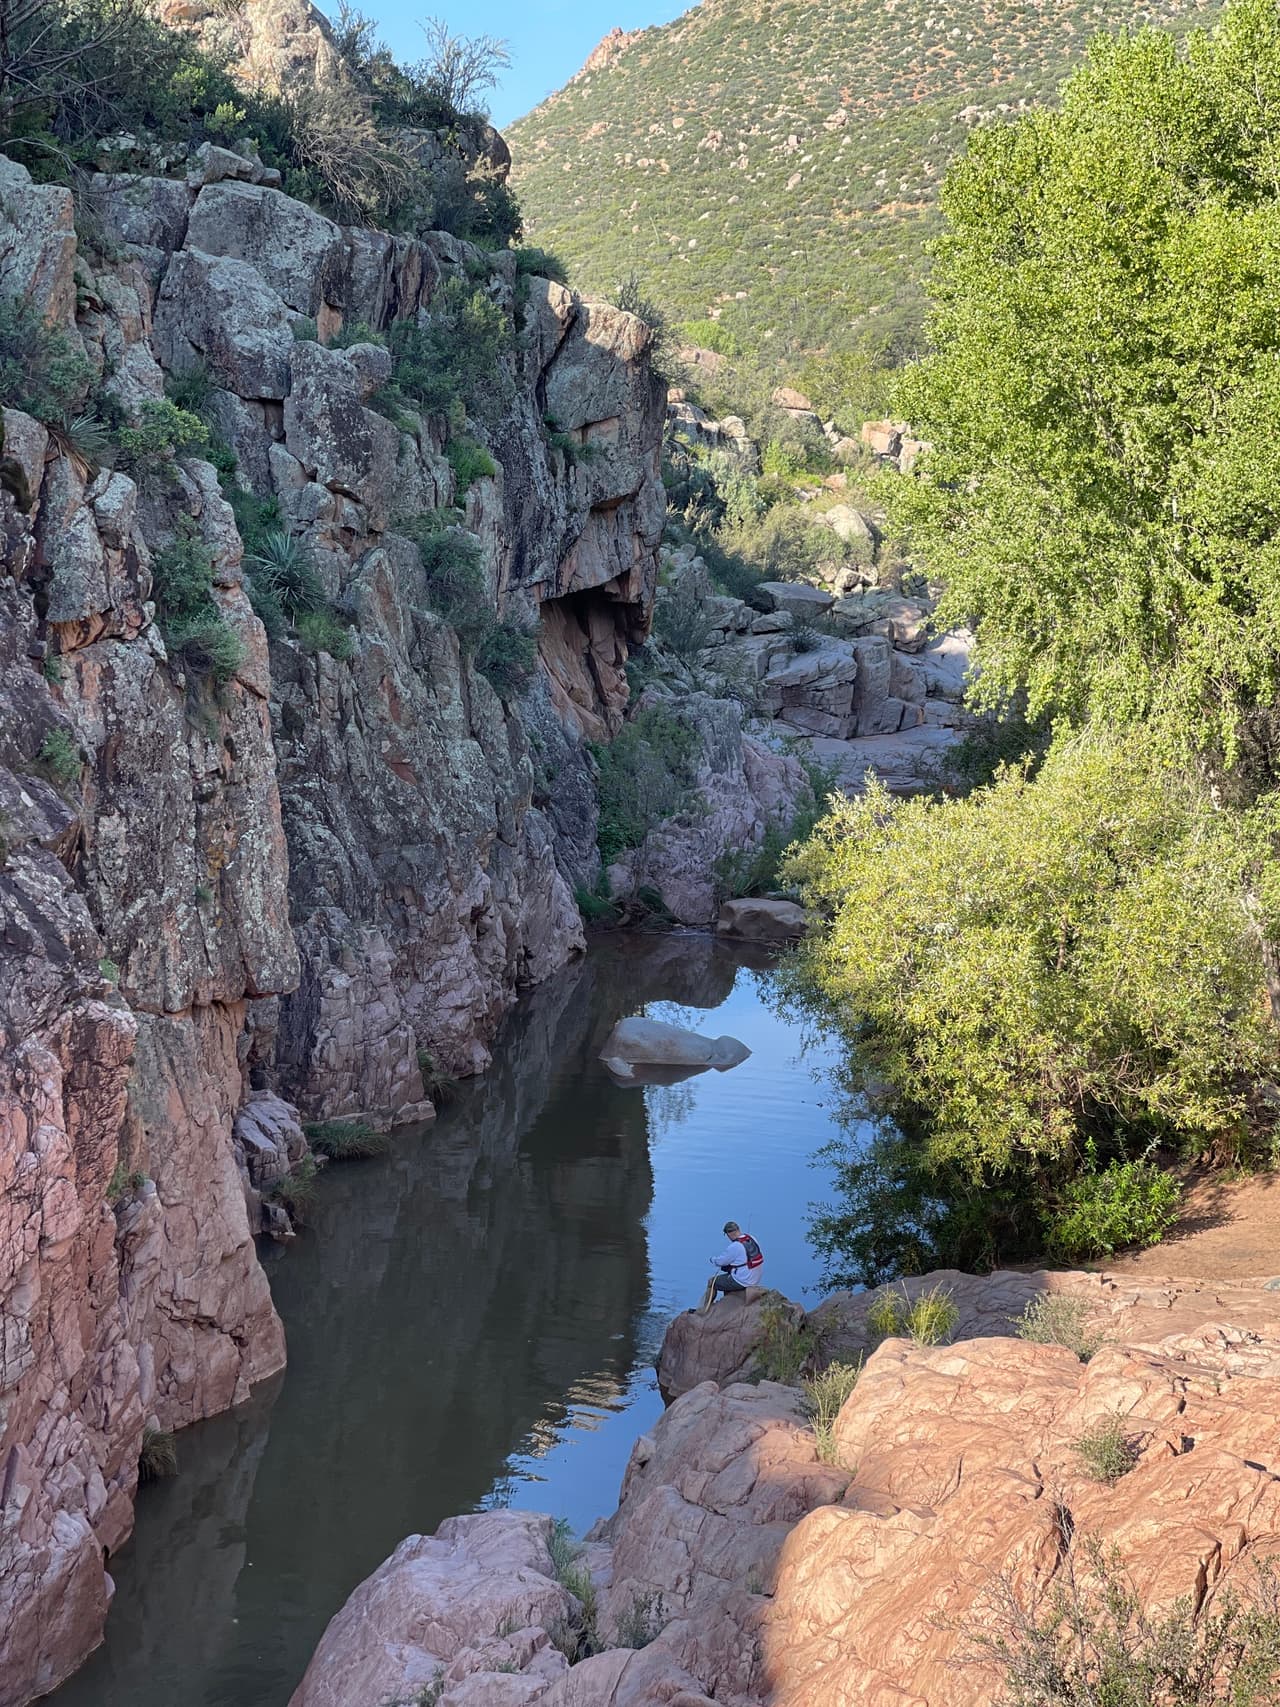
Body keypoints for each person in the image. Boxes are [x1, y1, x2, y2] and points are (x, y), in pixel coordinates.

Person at [695, 1220, 764, 1313]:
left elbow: (721, 1262)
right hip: (756, 1276)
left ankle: (705, 1309)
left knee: (712, 1282)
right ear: (738, 1229)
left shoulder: (735, 1246)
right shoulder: (752, 1238)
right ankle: (729, 1301)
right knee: (729, 1272)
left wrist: (713, 1259)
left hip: (744, 1280)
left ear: (729, 1233)